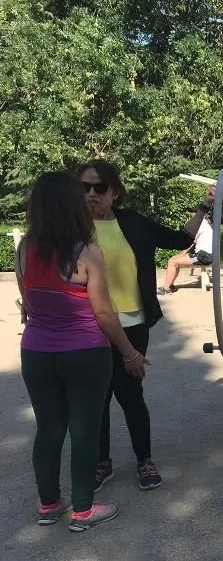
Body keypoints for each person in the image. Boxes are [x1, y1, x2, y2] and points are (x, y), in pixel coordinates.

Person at [16, 172, 149, 532]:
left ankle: (48, 505)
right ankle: (83, 510)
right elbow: (103, 312)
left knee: (48, 430)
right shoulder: (87, 251)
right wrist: (130, 353)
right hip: (85, 353)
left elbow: (27, 302)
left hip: (37, 352)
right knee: (84, 429)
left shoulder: (24, 247)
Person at [75, 159, 213, 492]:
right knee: (97, 398)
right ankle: (101, 462)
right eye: (84, 188)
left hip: (133, 322)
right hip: (88, 326)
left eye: (99, 188)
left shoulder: (131, 222)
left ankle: (144, 459)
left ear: (114, 192)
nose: (91, 194)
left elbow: (179, 239)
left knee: (130, 393)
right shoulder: (71, 229)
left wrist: (204, 206)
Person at [157, 216, 214, 295]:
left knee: (172, 261)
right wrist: (178, 256)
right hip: (204, 255)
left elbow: (190, 243)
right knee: (174, 260)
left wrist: (179, 255)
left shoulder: (200, 225)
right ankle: (170, 285)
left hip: (204, 256)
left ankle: (166, 288)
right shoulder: (205, 224)